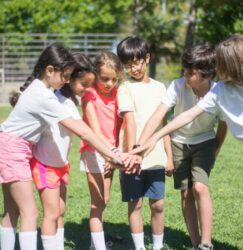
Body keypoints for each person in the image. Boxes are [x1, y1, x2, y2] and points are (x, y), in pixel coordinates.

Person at [132, 34, 243, 250]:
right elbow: (187, 115)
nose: (216, 68)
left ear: (236, 64)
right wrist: (155, 137)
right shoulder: (221, 89)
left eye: (220, 64)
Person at [0, 44, 126, 250]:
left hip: (9, 147)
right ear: (50, 70)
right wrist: (113, 155)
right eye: (65, 75)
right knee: (30, 212)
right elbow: (85, 132)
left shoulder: (41, 90)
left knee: (12, 211)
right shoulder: (46, 97)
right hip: (12, 150)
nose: (66, 80)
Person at [131, 42, 225, 250]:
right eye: (185, 69)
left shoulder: (218, 92)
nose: (185, 74)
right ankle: (195, 242)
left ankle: (206, 243)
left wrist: (216, 148)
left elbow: (223, 125)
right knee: (186, 193)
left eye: (191, 72)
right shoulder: (177, 85)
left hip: (205, 141)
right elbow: (158, 115)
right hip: (179, 142)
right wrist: (140, 145)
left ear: (207, 75)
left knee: (200, 187)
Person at [30, 53, 96, 250]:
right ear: (70, 78)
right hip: (45, 164)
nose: (87, 89)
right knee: (51, 213)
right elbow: (85, 131)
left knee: (60, 210)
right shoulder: (56, 101)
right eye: (83, 84)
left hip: (60, 165)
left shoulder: (69, 101)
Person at [116, 36, 174, 250]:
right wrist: (132, 155)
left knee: (158, 204)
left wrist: (169, 156)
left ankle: (157, 246)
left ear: (147, 58)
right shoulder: (124, 87)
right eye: (128, 64)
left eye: (137, 62)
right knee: (136, 204)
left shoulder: (161, 88)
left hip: (156, 157)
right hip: (132, 158)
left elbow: (164, 125)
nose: (133, 68)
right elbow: (129, 122)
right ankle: (140, 247)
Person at [79, 51, 124, 250]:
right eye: (104, 79)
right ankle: (97, 247)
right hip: (94, 150)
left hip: (112, 151)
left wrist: (115, 152)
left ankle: (95, 243)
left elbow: (122, 122)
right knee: (97, 202)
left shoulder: (119, 92)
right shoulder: (89, 94)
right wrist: (108, 154)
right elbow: (95, 130)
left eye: (114, 80)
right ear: (95, 74)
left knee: (104, 199)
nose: (109, 84)